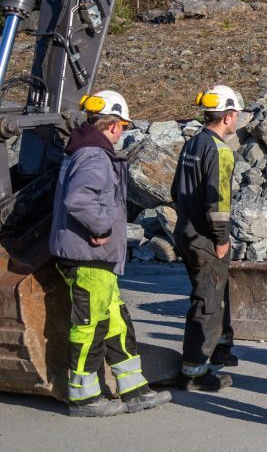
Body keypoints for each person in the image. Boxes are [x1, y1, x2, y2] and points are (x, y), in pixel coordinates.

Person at [49, 90, 172, 417]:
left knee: (116, 321)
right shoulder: (94, 156)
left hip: (95, 261)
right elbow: (79, 199)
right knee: (90, 326)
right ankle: (84, 397)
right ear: (115, 126)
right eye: (122, 126)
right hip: (88, 257)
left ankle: (133, 388)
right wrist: (101, 230)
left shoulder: (86, 152)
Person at [172, 85, 243, 392]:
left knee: (212, 294)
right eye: (236, 115)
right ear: (228, 116)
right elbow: (219, 202)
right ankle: (195, 370)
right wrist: (221, 238)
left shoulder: (193, 144)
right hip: (205, 239)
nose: (238, 120)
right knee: (208, 302)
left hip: (186, 231)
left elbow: (176, 191)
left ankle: (219, 348)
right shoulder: (220, 151)